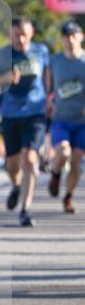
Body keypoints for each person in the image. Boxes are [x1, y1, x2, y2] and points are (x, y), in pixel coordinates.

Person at [0, 16, 50, 227]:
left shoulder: (41, 51)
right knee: (13, 165)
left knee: (30, 159)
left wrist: (50, 99)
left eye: (24, 34)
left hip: (36, 112)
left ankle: (26, 209)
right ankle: (16, 185)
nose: (20, 39)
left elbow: (47, 78)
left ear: (31, 33)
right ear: (10, 35)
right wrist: (3, 80)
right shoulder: (1, 55)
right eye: (16, 35)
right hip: (11, 114)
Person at [48, 20, 85, 213]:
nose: (70, 40)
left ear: (81, 37)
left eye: (74, 36)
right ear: (62, 39)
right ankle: (55, 174)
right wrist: (48, 101)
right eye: (66, 36)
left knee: (76, 162)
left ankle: (68, 196)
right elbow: (46, 86)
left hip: (82, 122)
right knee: (63, 152)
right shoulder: (55, 61)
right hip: (61, 119)